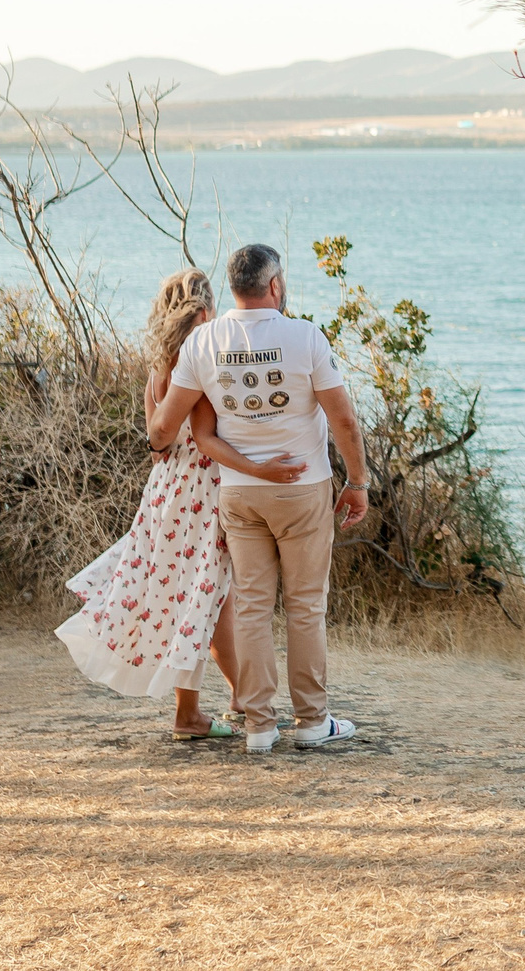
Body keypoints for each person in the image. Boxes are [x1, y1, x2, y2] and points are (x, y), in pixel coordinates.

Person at [55, 267, 299, 737]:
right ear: (205, 311)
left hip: (168, 490)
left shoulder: (159, 367)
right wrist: (262, 467)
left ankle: (211, 706)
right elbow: (202, 438)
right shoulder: (201, 362)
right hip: (202, 492)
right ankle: (229, 703)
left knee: (197, 599)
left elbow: (157, 441)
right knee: (207, 598)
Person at [167, 241, 372, 753]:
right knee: (305, 606)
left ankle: (259, 726)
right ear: (275, 285)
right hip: (301, 490)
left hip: (239, 493)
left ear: (234, 287)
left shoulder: (202, 342)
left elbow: (178, 425)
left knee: (253, 607)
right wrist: (358, 482)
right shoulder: (304, 336)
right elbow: (343, 419)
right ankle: (310, 721)